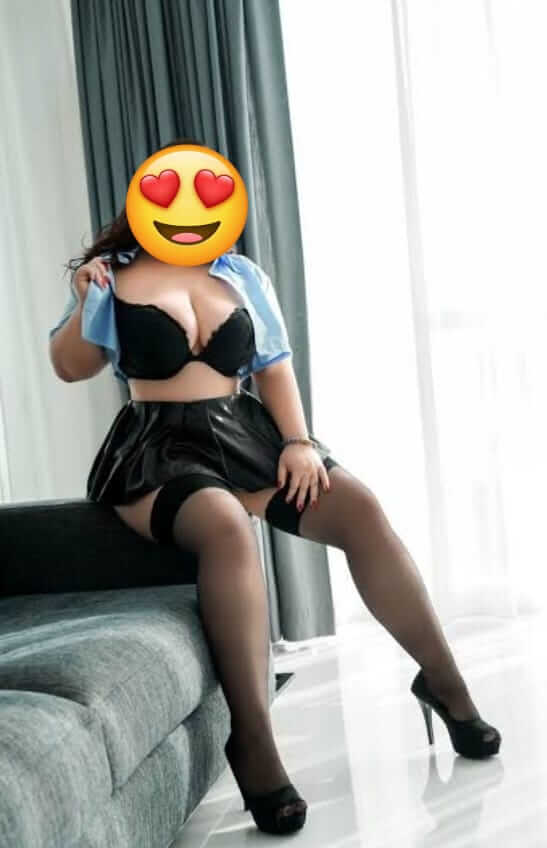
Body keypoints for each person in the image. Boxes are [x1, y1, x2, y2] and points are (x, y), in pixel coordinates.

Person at [49, 137, 501, 836]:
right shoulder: (112, 277)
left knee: (360, 509)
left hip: (245, 434)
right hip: (156, 449)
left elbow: (274, 366)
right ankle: (254, 741)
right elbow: (70, 366)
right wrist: (87, 303)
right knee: (224, 523)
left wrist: (298, 441)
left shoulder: (239, 275)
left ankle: (443, 682)